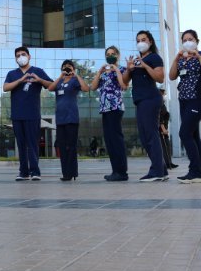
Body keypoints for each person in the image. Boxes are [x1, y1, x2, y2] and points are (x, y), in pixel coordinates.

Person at [123, 30, 167, 182]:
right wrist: (129, 69)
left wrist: (145, 66)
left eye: (143, 39)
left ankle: (157, 172)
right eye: (138, 40)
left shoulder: (154, 58)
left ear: (150, 42)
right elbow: (123, 83)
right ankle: (162, 169)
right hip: (140, 101)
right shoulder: (135, 60)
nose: (140, 42)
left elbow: (160, 77)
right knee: (145, 136)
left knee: (150, 135)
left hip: (151, 99)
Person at [3, 46, 52, 181]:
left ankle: (35, 171)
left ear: (29, 56)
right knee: (21, 144)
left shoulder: (38, 71)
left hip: (32, 114)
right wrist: (20, 80)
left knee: (32, 144)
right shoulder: (12, 74)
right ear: (15, 59)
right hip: (17, 114)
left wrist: (39, 80)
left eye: (23, 54)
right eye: (18, 55)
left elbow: (51, 86)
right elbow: (5, 87)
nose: (21, 57)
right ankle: (23, 172)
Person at [91, 46, 128, 181]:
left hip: (115, 107)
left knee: (116, 140)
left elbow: (124, 85)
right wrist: (100, 72)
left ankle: (122, 172)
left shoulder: (122, 69)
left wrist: (116, 69)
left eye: (113, 54)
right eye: (108, 54)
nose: (110, 56)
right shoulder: (104, 73)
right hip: (105, 109)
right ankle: (115, 171)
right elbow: (93, 87)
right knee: (109, 141)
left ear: (118, 55)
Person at [169, 29, 201, 183]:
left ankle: (194, 171)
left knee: (184, 133)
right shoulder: (182, 59)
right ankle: (198, 171)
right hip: (183, 99)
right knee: (194, 135)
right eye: (184, 39)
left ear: (196, 41)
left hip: (197, 98)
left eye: (190, 39)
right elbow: (172, 76)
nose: (187, 41)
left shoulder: (199, 55)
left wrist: (198, 56)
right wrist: (176, 59)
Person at [48, 59, 89, 181]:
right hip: (60, 119)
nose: (67, 68)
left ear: (73, 69)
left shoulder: (75, 81)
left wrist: (75, 75)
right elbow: (50, 88)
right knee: (62, 146)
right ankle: (66, 174)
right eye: (64, 67)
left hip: (71, 118)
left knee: (71, 146)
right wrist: (61, 76)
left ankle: (73, 173)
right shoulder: (59, 82)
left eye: (69, 67)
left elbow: (86, 88)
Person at [159, 88, 178, 170]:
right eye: (163, 94)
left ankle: (169, 162)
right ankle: (166, 163)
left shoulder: (162, 104)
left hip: (164, 128)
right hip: (161, 129)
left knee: (167, 145)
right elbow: (160, 118)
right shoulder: (159, 104)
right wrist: (163, 129)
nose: (164, 95)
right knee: (164, 146)